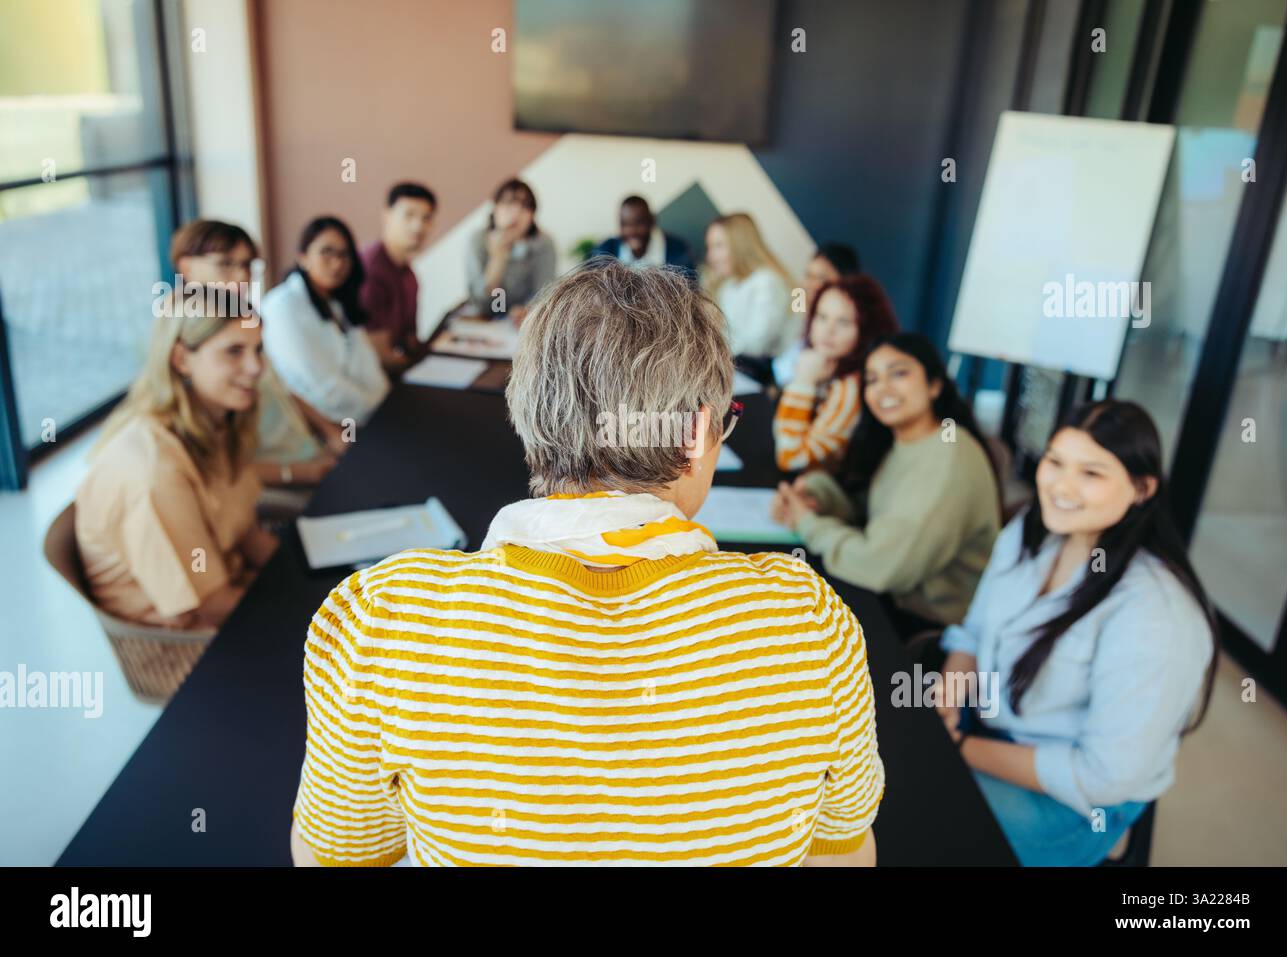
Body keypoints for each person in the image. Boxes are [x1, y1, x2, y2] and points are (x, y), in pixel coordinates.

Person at [290, 260, 884, 867]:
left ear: (526, 414)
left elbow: (338, 857)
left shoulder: (382, 619)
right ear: (696, 434)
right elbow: (842, 855)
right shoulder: (809, 626)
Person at [934, 400, 1218, 866]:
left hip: (1071, 799)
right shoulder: (1030, 531)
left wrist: (960, 748)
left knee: (919, 820)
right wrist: (943, 705)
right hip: (988, 729)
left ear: (1142, 488)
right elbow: (972, 633)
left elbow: (1102, 775)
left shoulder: (1154, 613)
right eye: (1055, 461)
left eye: (1092, 473)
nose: (1061, 486)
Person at [773, 333, 1001, 632]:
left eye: (899, 374)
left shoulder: (947, 456)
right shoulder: (905, 441)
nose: (883, 389)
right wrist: (814, 493)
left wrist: (807, 522)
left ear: (934, 385)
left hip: (926, 630)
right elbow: (874, 513)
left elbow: (879, 566)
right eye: (872, 379)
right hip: (891, 602)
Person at [74, 309, 279, 629]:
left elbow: (247, 535)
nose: (256, 368)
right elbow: (210, 606)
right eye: (234, 351)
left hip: (236, 596)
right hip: (190, 644)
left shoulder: (217, 423)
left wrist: (318, 580)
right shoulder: (154, 470)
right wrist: (315, 605)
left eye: (259, 349)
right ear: (182, 359)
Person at [169, 220, 342, 490]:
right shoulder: (188, 342)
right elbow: (212, 467)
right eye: (226, 264)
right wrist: (300, 473)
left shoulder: (243, 322)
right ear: (186, 267)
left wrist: (329, 431)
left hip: (305, 450)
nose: (241, 277)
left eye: (248, 265)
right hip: (271, 483)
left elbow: (277, 388)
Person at [261, 216, 390, 426]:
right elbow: (319, 384)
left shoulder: (336, 303)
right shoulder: (281, 306)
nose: (337, 263)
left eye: (344, 254)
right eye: (326, 252)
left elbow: (368, 365)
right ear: (302, 257)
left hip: (360, 415)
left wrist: (383, 403)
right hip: (312, 425)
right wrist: (376, 408)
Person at [774, 275, 899, 473]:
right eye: (822, 317)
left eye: (844, 322)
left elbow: (790, 458)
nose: (828, 330)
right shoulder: (829, 368)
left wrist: (803, 382)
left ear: (866, 330)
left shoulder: (850, 388)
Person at [703, 213, 795, 382]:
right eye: (709, 247)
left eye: (718, 246)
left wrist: (719, 324)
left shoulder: (766, 281)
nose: (711, 256)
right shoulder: (727, 287)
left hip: (763, 374)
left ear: (740, 245)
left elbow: (758, 345)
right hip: (737, 370)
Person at [359, 181, 438, 371]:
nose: (418, 226)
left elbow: (410, 340)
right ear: (387, 216)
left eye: (426, 218)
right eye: (409, 215)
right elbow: (380, 357)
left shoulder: (409, 274)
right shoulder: (372, 270)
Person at [465, 178, 556, 321]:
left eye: (525, 206)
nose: (516, 213)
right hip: (486, 320)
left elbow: (544, 292)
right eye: (508, 204)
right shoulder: (478, 240)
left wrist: (528, 310)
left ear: (532, 215)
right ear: (494, 209)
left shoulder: (543, 243)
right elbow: (482, 303)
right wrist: (498, 258)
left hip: (524, 322)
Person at [773, 242, 862, 387]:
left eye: (821, 278)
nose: (808, 284)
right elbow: (782, 368)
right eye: (808, 275)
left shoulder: (840, 335)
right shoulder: (802, 314)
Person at [590, 194, 695, 279]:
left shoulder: (679, 251)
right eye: (625, 224)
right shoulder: (604, 251)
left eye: (639, 223)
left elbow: (689, 293)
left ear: (652, 221)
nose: (631, 231)